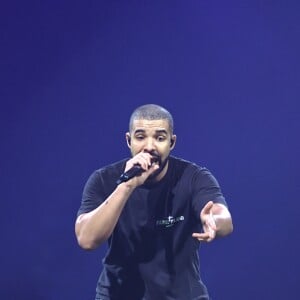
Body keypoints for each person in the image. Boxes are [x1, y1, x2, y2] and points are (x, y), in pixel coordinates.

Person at [75, 104, 233, 300]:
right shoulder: (103, 179)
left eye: (160, 138)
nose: (149, 147)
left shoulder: (193, 177)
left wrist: (214, 220)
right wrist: (126, 186)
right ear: (128, 140)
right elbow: (87, 239)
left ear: (172, 142)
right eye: (140, 137)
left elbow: (223, 216)